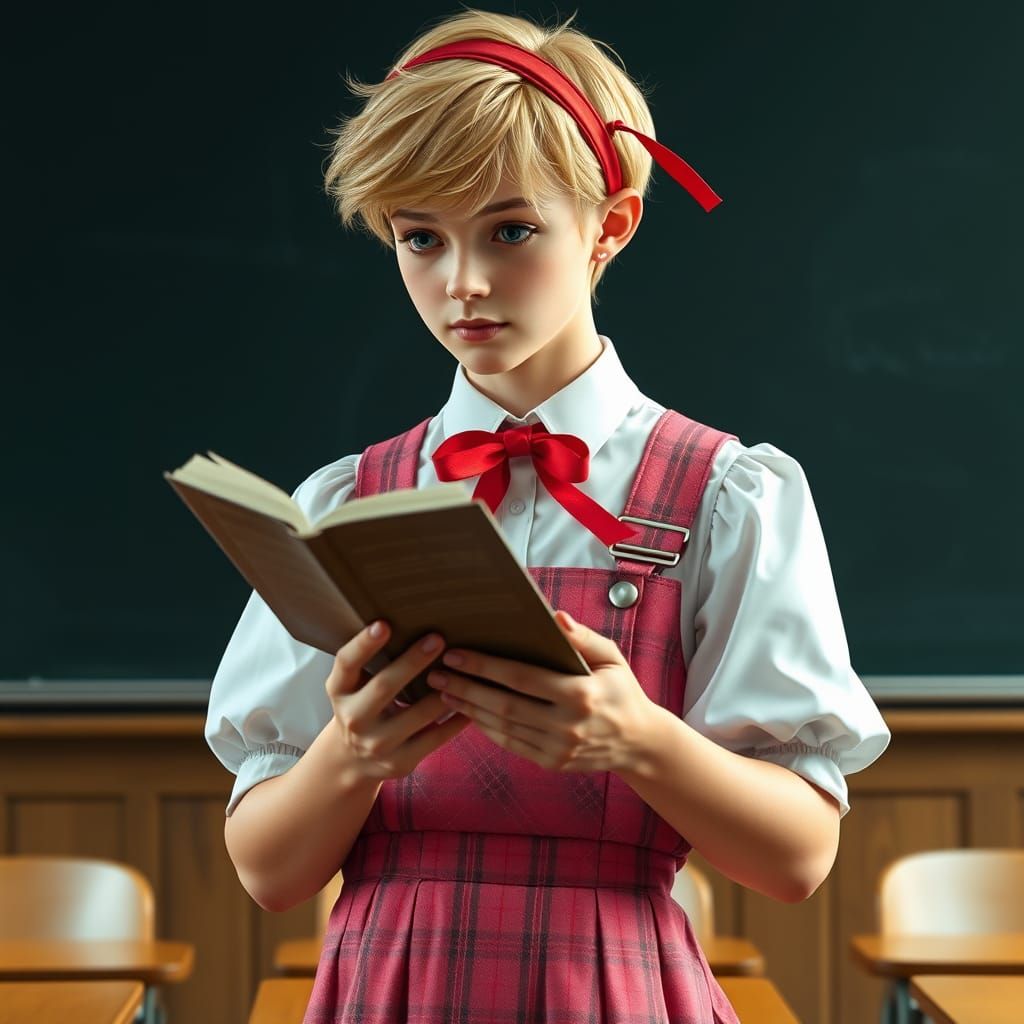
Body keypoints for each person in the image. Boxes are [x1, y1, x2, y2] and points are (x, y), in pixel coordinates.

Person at [205, 9, 891, 1022]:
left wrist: (636, 739)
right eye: (420, 240)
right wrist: (351, 752)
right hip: (385, 987)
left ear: (610, 224)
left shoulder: (728, 496)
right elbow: (267, 871)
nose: (462, 284)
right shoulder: (341, 502)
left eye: (510, 231)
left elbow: (798, 857)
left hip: (616, 988)